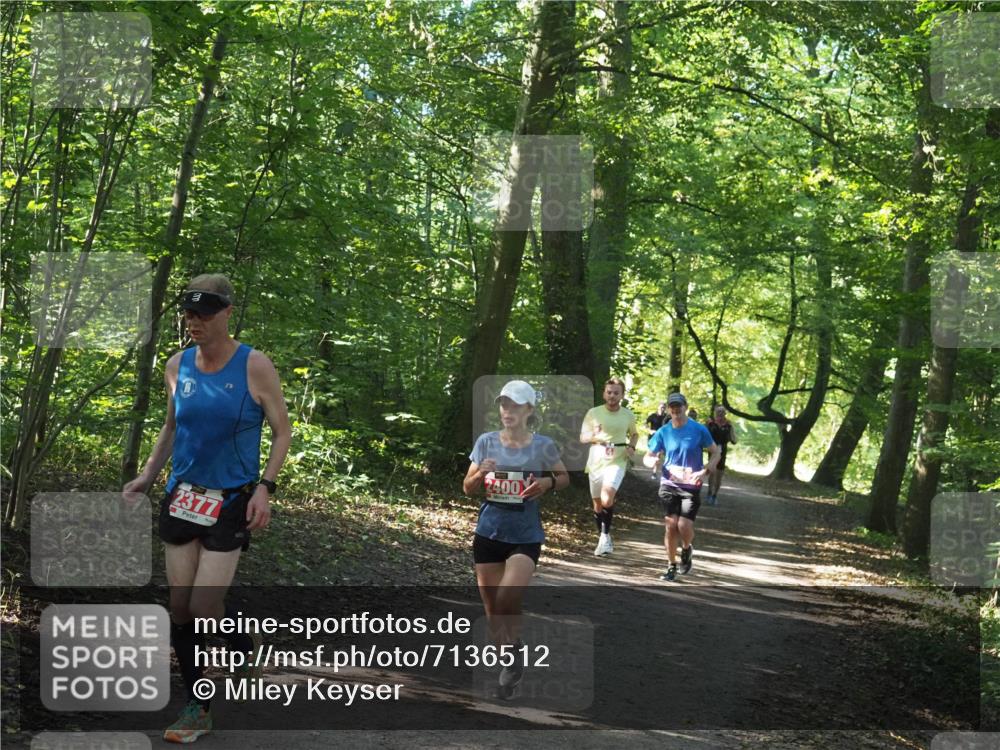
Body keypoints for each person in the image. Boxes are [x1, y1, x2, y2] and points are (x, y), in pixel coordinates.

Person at [123, 274, 291, 743]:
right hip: (183, 496)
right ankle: (239, 644)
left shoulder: (254, 366)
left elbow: (282, 431)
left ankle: (198, 705)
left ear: (227, 313)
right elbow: (171, 427)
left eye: (204, 312)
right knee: (181, 607)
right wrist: (148, 475)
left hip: (231, 499)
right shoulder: (177, 365)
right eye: (189, 312)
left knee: (203, 604)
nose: (193, 321)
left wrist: (265, 488)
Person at [464, 380, 569, 699]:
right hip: (489, 532)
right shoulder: (485, 442)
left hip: (525, 534)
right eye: (504, 404)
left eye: (515, 405)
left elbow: (565, 478)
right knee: (494, 610)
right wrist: (480, 473)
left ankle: (512, 652)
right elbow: (467, 487)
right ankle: (512, 659)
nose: (508, 410)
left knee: (508, 597)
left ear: (529, 410)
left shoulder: (543, 445)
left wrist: (547, 483)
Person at [644, 392, 720, 581]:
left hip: (690, 484)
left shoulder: (698, 429)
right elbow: (648, 455)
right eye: (673, 406)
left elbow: (715, 452)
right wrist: (652, 460)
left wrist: (706, 471)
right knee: (671, 525)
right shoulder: (663, 432)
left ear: (685, 406)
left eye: (679, 406)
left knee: (684, 525)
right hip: (669, 483)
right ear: (669, 409)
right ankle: (671, 565)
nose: (676, 409)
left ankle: (686, 548)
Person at [580, 378, 638, 556]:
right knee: (597, 503)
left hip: (617, 460)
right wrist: (594, 435)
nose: (612, 396)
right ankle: (604, 537)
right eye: (609, 392)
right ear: (604, 393)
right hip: (596, 460)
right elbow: (583, 438)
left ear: (622, 395)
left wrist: (631, 446)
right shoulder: (593, 412)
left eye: (616, 393)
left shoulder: (628, 415)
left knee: (607, 496)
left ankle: (604, 537)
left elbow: (634, 434)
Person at [705, 405, 737, 506]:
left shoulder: (728, 425)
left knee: (719, 475)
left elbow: (734, 440)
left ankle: (715, 495)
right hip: (713, 451)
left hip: (723, 451)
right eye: (718, 411)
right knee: (712, 472)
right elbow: (704, 435)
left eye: (722, 412)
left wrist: (731, 432)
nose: (720, 413)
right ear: (715, 412)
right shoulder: (710, 423)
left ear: (725, 413)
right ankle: (710, 492)